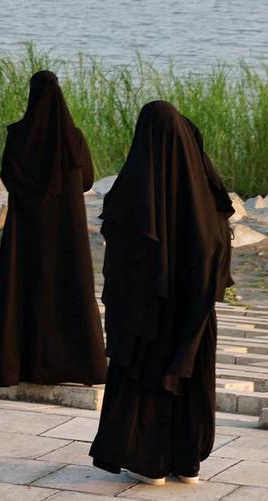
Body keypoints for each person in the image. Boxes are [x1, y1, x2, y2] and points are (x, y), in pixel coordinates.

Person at [89, 101, 235, 487]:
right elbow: (218, 252)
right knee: (187, 378)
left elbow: (121, 250)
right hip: (193, 312)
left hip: (147, 312)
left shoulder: (136, 193)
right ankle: (186, 463)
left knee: (147, 373)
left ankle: (148, 461)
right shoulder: (206, 197)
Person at [0, 70, 106, 387]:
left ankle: (18, 366)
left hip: (25, 230)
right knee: (68, 291)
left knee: (22, 291)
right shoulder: (74, 138)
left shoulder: (17, 136)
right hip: (66, 231)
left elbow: (9, 178)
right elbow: (86, 181)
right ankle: (76, 366)